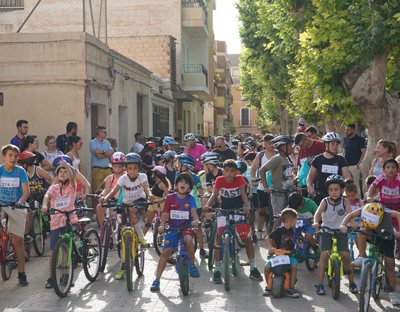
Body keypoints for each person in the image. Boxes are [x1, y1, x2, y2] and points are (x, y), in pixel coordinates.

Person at [204, 159, 262, 283]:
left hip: (239, 211)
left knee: (247, 238)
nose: (229, 174)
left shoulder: (239, 179)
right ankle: (218, 270)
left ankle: (253, 268)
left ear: (236, 172)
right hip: (224, 211)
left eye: (232, 171)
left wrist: (246, 206)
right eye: (227, 171)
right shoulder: (219, 180)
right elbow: (214, 194)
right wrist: (208, 205)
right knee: (219, 239)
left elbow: (242, 192)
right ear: (223, 171)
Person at [99, 153, 152, 280]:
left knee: (132, 211)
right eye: (130, 168)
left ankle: (141, 238)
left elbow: (147, 188)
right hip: (125, 204)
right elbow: (113, 191)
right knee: (123, 233)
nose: (132, 171)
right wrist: (105, 199)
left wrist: (149, 195)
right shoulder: (123, 178)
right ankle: (123, 266)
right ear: (126, 169)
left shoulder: (143, 176)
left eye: (135, 168)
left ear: (139, 168)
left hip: (140, 202)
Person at [340, 203, 400, 305]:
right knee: (361, 232)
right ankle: (362, 256)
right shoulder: (364, 209)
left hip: (386, 235)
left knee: (389, 266)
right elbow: (350, 215)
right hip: (372, 232)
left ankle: (393, 292)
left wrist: (398, 231)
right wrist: (342, 224)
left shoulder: (385, 212)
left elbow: (398, 214)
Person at [150, 173, 200, 291]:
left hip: (187, 226)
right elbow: (165, 213)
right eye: (181, 182)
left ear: (189, 188)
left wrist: (196, 220)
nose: (183, 184)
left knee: (188, 241)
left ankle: (192, 265)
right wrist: (162, 225)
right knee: (165, 252)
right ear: (176, 185)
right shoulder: (170, 198)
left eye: (186, 183)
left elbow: (193, 211)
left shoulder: (190, 199)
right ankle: (157, 279)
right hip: (172, 227)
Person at [312, 175, 358, 295]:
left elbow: (350, 214)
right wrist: (316, 222)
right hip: (326, 231)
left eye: (336, 189)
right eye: (331, 190)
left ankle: (352, 283)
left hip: (341, 231)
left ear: (342, 190)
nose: (333, 192)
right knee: (323, 257)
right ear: (328, 191)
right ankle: (320, 284)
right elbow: (318, 213)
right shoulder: (325, 201)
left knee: (346, 257)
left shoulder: (345, 201)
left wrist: (352, 224)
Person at [41, 157, 77, 288]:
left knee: (66, 251)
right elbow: (47, 196)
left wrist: (67, 166)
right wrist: (44, 205)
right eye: (60, 171)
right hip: (56, 222)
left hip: (68, 221)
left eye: (65, 171)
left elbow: (72, 179)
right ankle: (52, 277)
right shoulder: (54, 188)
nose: (62, 173)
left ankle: (65, 275)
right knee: (54, 251)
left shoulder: (72, 187)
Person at [0, 144, 30, 286]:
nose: (13, 158)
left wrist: (19, 202)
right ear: (4, 157)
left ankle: (21, 273)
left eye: (15, 156)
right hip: (1, 205)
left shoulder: (20, 171)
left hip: (16, 206)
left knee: (18, 240)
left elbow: (26, 192)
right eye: (10, 155)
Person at [175, 154, 208, 259]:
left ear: (186, 166)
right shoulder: (177, 175)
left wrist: (203, 208)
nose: (177, 166)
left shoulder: (195, 177)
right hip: (181, 206)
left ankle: (202, 249)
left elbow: (201, 193)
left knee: (197, 228)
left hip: (195, 206)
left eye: (179, 164)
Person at [263, 208, 301, 298]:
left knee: (294, 266)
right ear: (291, 220)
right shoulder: (279, 230)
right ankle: (269, 286)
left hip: (290, 255)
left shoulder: (292, 230)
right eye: (295, 220)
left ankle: (291, 288)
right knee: (267, 267)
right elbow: (267, 238)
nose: (296, 223)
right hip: (278, 255)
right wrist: (270, 248)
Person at [307, 132, 351, 205]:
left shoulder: (341, 159)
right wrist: (309, 186)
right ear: (326, 144)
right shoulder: (318, 159)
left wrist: (348, 188)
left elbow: (346, 175)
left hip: (337, 194)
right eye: (332, 144)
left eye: (337, 144)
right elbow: (311, 175)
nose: (335, 146)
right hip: (321, 194)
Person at [18, 152, 53, 241]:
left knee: (49, 210)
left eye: (20, 163)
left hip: (42, 194)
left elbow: (50, 178)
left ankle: (50, 223)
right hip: (31, 196)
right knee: (29, 214)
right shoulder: (22, 172)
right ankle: (27, 235)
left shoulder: (38, 170)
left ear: (25, 164)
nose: (19, 165)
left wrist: (52, 191)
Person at [260, 135, 295, 221]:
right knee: (279, 219)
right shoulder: (277, 158)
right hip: (278, 194)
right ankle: (273, 234)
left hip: (287, 193)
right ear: (283, 147)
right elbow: (262, 170)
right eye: (290, 145)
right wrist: (266, 187)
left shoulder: (286, 159)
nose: (292, 147)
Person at [250, 134, 276, 240]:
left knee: (276, 211)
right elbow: (253, 168)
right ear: (264, 144)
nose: (272, 145)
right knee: (262, 210)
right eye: (269, 143)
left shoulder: (279, 154)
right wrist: (252, 178)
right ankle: (259, 231)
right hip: (262, 186)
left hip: (276, 186)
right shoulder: (260, 155)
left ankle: (275, 232)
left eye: (273, 143)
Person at [96, 152, 125, 227]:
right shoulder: (110, 178)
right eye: (115, 166)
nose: (117, 169)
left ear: (123, 166)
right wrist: (102, 197)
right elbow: (107, 190)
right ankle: (104, 228)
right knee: (99, 207)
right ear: (112, 166)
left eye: (119, 167)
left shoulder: (126, 176)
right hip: (113, 199)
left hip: (124, 200)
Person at [143, 166, 171, 236]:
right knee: (148, 222)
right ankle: (141, 237)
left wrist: (162, 199)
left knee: (162, 222)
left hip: (160, 203)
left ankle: (161, 237)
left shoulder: (161, 184)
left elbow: (167, 194)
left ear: (157, 174)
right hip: (153, 203)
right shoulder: (156, 183)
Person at [89, 126, 113, 203]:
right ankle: (95, 213)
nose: (106, 134)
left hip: (107, 169)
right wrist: (107, 153)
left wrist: (102, 151)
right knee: (97, 192)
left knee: (110, 190)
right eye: (105, 132)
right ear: (100, 133)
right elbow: (98, 156)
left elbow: (112, 153)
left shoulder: (107, 142)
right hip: (98, 170)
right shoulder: (92, 142)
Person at [342, 124, 367, 198]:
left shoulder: (360, 139)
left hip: (354, 165)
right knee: (345, 184)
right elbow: (344, 150)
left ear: (353, 130)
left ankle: (358, 200)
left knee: (355, 184)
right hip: (345, 166)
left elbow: (363, 152)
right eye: (346, 129)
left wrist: (359, 163)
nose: (346, 131)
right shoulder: (345, 139)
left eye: (348, 130)